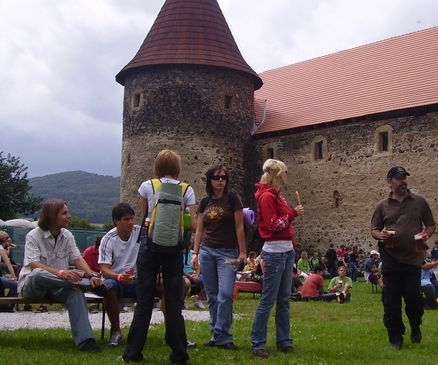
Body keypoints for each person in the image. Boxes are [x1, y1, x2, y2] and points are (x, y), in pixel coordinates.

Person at [122, 150, 195, 365]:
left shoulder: (147, 186)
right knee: (173, 301)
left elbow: (145, 217)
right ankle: (179, 353)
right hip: (173, 249)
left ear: (157, 166)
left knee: (144, 300)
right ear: (177, 167)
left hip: (149, 247)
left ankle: (133, 352)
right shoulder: (186, 189)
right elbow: (191, 222)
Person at [18, 199, 104, 352]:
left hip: (59, 286)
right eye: (64, 213)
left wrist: (91, 275)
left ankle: (86, 342)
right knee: (37, 274)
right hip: (35, 286)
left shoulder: (67, 236)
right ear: (52, 216)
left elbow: (77, 259)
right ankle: (88, 285)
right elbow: (34, 265)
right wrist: (61, 273)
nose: (69, 216)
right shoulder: (33, 235)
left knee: (75, 292)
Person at [370, 166, 436, 350]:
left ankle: (415, 326)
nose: (403, 181)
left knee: (413, 299)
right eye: (399, 178)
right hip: (390, 258)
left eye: (404, 178)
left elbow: (430, 225)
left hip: (413, 259)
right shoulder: (382, 205)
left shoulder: (419, 202)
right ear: (390, 182)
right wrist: (380, 235)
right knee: (391, 301)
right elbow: (374, 229)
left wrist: (426, 235)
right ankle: (395, 338)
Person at [250, 158, 304, 359]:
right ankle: (258, 343)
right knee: (268, 299)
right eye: (285, 171)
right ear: (279, 174)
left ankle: (284, 340)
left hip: (286, 250)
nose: (287, 175)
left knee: (284, 299)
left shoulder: (278, 196)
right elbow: (272, 225)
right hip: (274, 253)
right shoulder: (267, 197)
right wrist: (292, 214)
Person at [190, 164, 244, 350]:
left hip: (227, 252)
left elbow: (239, 227)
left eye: (223, 177)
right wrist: (195, 253)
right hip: (207, 251)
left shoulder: (233, 199)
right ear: (210, 180)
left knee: (226, 294)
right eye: (216, 177)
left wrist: (242, 252)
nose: (221, 180)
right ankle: (216, 334)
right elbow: (199, 230)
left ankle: (223, 335)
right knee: (212, 295)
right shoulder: (205, 202)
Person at [98, 203, 141, 347]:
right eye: (126, 219)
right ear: (116, 221)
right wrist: (119, 277)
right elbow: (104, 270)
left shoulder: (139, 233)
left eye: (132, 219)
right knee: (108, 288)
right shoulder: (108, 239)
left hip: (135, 279)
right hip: (115, 279)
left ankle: (171, 333)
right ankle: (116, 332)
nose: (130, 223)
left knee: (163, 284)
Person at [83, 234, 103, 314]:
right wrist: (98, 274)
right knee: (92, 283)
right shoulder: (89, 252)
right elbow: (86, 270)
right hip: (90, 276)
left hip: (102, 275)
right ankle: (93, 305)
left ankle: (120, 305)